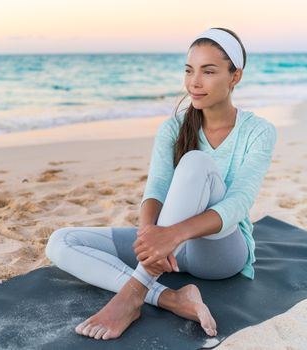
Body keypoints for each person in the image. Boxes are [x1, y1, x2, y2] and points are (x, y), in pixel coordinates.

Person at [45, 27, 277, 341]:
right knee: (62, 241)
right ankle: (170, 298)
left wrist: (171, 235)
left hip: (220, 252)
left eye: (208, 71)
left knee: (196, 162)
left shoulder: (259, 131)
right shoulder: (173, 127)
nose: (194, 82)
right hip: (170, 246)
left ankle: (132, 296)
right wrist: (149, 236)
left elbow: (238, 204)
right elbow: (155, 189)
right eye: (189, 70)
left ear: (235, 76)